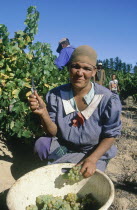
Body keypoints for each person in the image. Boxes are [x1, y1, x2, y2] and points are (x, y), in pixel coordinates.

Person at [28, 45, 122, 178]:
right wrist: (44, 113)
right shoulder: (56, 95)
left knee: (85, 178)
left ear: (94, 71)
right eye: (75, 66)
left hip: (93, 149)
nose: (80, 73)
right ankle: (70, 159)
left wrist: (92, 159)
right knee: (41, 145)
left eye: (86, 69)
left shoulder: (107, 99)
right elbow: (53, 132)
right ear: (68, 68)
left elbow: (110, 134)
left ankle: (91, 160)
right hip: (65, 146)